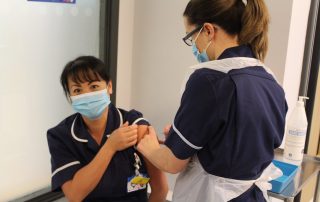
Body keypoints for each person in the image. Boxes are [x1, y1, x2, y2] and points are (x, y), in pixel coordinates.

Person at [137, 0, 287, 201]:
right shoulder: (269, 79)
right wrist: (185, 136)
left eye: (191, 37)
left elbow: (172, 163)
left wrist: (150, 147)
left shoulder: (210, 80)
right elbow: (239, 140)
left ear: (208, 30)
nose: (194, 47)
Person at [47, 56, 168, 202]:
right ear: (70, 97)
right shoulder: (61, 136)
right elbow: (74, 195)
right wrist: (110, 146)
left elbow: (160, 189)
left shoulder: (135, 124)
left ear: (109, 86)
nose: (87, 95)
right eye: (77, 90)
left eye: (93, 87)